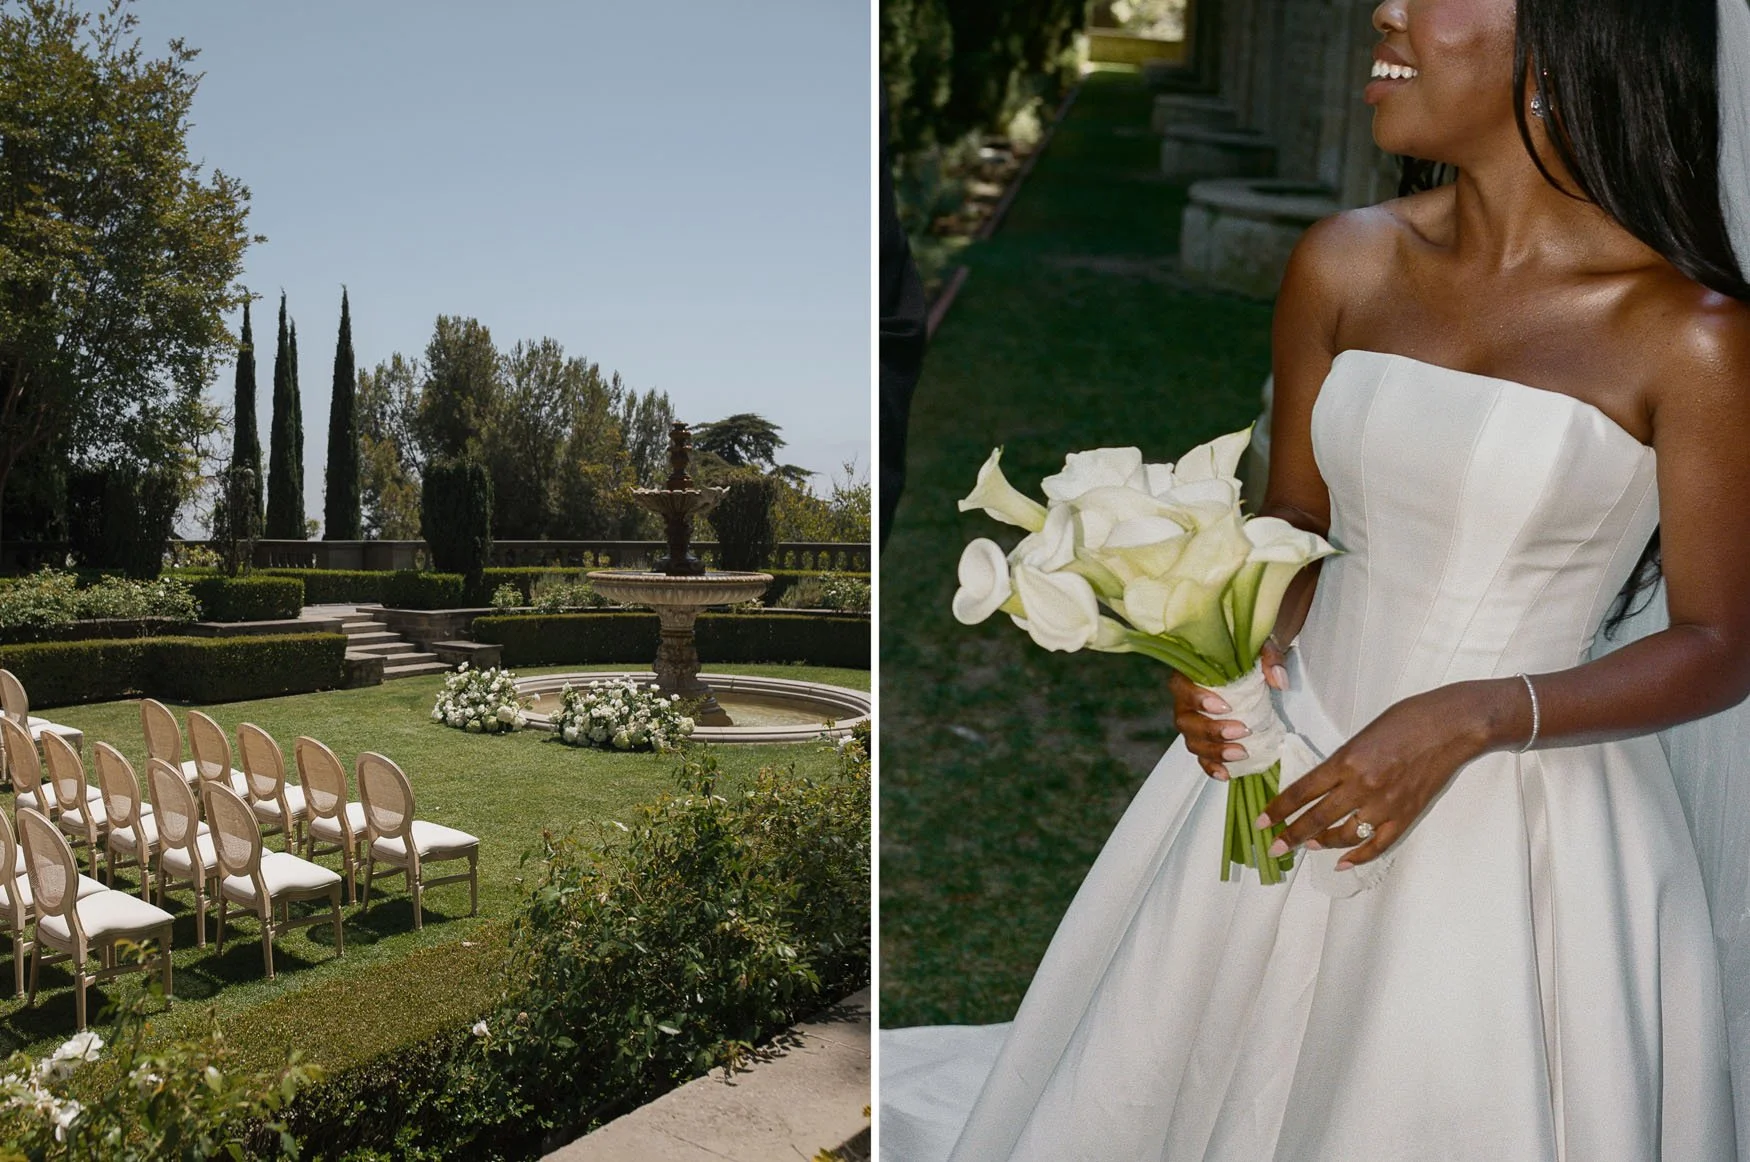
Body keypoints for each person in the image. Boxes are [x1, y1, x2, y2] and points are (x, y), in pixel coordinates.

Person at [880, 0, 1750, 1157]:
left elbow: (1718, 639)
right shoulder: (1343, 258)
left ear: (1567, 39)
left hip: (1525, 817)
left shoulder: (1690, 335)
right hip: (1286, 756)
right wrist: (1227, 643)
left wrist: (1475, 716)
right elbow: (1295, 517)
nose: (1382, 10)